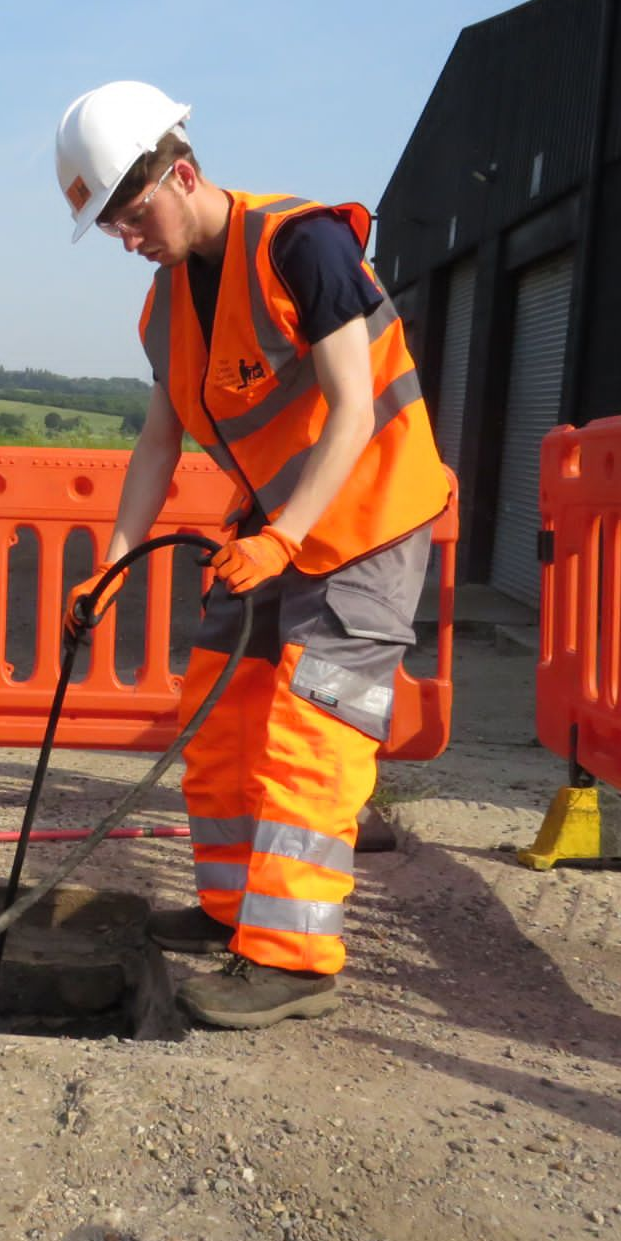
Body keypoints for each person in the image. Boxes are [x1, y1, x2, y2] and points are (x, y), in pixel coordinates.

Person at [54, 81, 450, 1030]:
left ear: (181, 173)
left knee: (311, 729)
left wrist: (283, 538)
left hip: (367, 520)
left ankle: (292, 957)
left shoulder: (299, 245)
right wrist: (111, 561)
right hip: (276, 526)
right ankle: (235, 911)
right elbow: (159, 444)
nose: (128, 238)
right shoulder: (163, 311)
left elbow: (354, 407)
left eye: (133, 212)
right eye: (110, 225)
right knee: (219, 707)